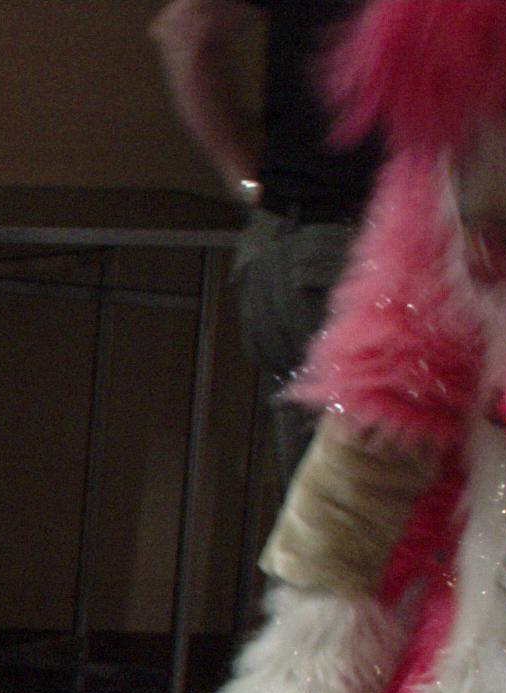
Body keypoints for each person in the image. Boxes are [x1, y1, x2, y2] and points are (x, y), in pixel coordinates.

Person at [156, 0, 384, 489]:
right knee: (374, 506)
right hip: (362, 252)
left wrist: (246, 180)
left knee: (325, 508)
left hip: (295, 240)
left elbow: (185, 29)